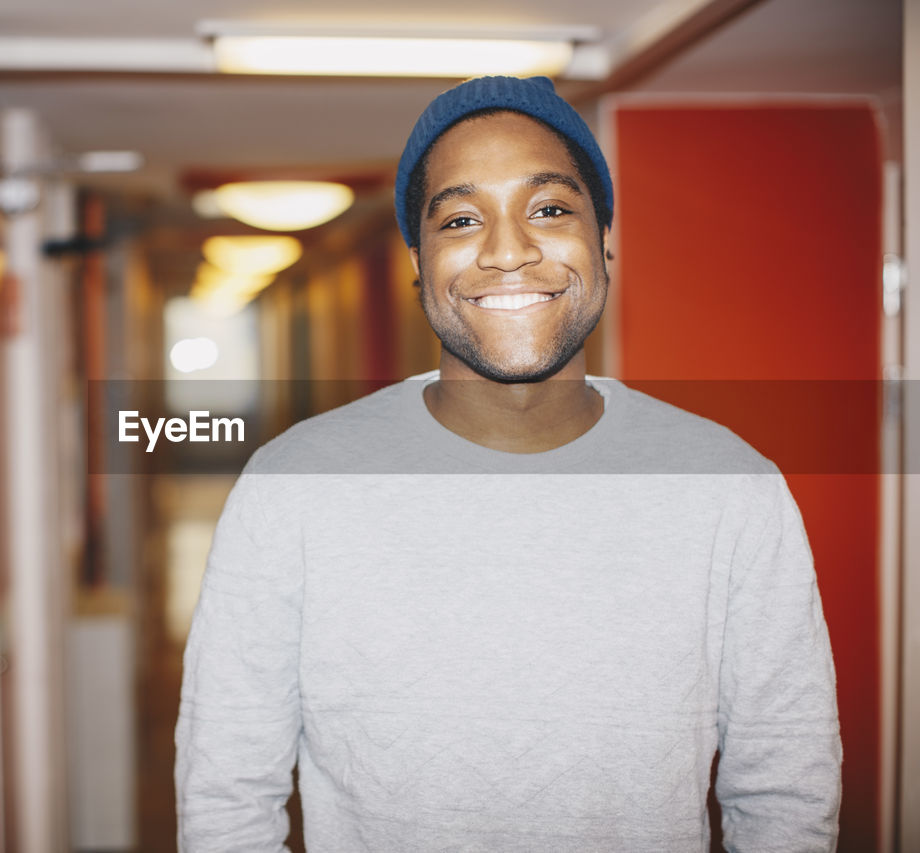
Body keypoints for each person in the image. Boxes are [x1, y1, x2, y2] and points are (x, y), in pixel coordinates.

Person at [174, 75, 841, 852]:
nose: (508, 250)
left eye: (550, 209)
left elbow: (786, 790)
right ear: (419, 266)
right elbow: (227, 796)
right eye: (461, 218)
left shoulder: (733, 488)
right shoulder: (292, 487)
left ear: (603, 243)